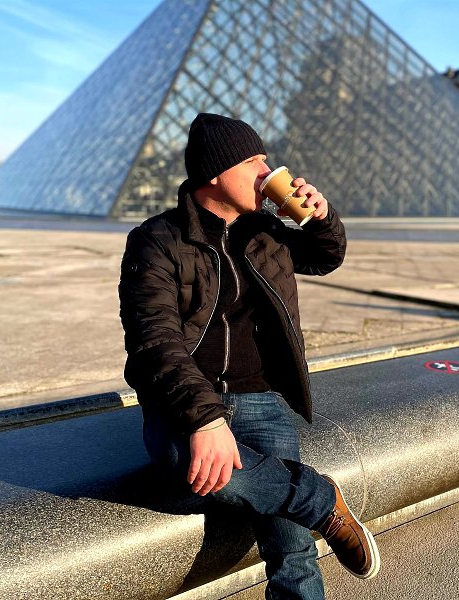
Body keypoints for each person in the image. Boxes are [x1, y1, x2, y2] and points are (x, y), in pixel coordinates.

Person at [119, 113, 380, 599]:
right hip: (187, 397)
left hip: (259, 395)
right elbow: (154, 340)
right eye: (254, 162)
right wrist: (205, 420)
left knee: (292, 547)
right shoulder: (157, 240)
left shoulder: (266, 231)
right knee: (188, 465)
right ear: (216, 174)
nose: (267, 172)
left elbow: (325, 257)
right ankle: (320, 499)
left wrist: (322, 218)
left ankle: (306, 522)